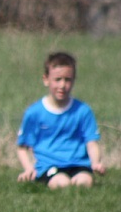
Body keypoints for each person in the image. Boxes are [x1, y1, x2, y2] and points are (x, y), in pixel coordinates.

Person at [16, 51, 104, 189]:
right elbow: (22, 147)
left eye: (67, 80)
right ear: (46, 79)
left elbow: (91, 142)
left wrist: (96, 162)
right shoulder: (34, 112)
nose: (62, 85)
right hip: (49, 166)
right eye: (57, 79)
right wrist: (29, 169)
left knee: (85, 182)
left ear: (74, 80)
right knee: (62, 183)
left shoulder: (83, 110)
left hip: (78, 163)